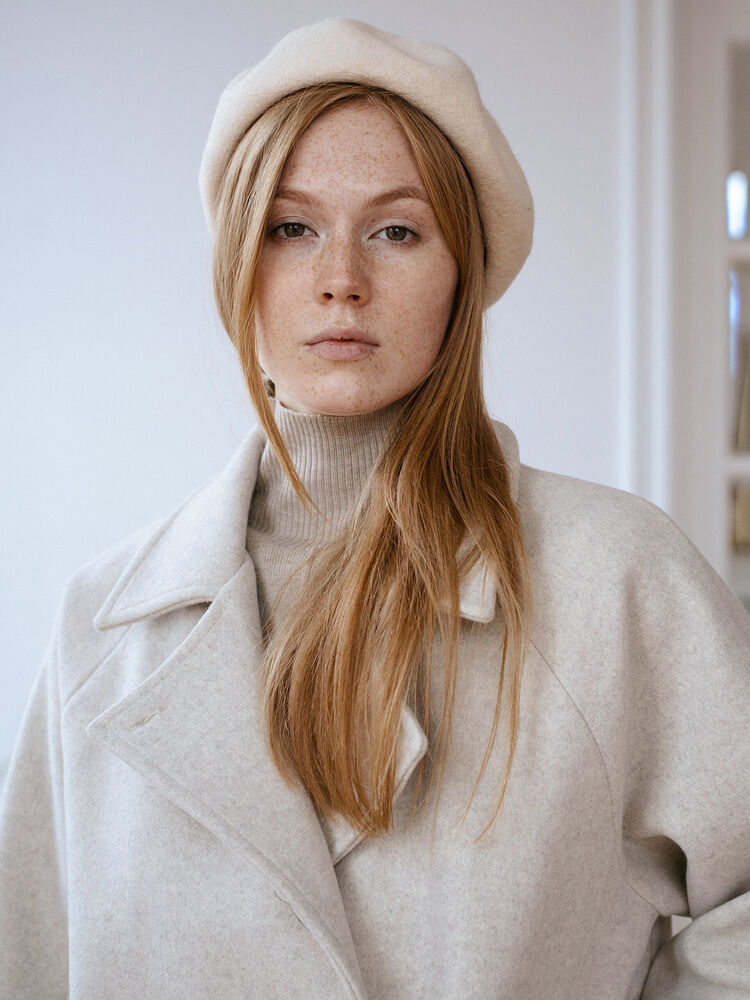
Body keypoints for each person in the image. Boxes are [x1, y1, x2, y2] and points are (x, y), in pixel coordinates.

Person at [1, 17, 749, 1000]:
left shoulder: (616, 578)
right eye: (291, 228)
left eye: (397, 230)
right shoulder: (102, 625)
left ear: (462, 271)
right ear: (238, 264)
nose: (340, 281)